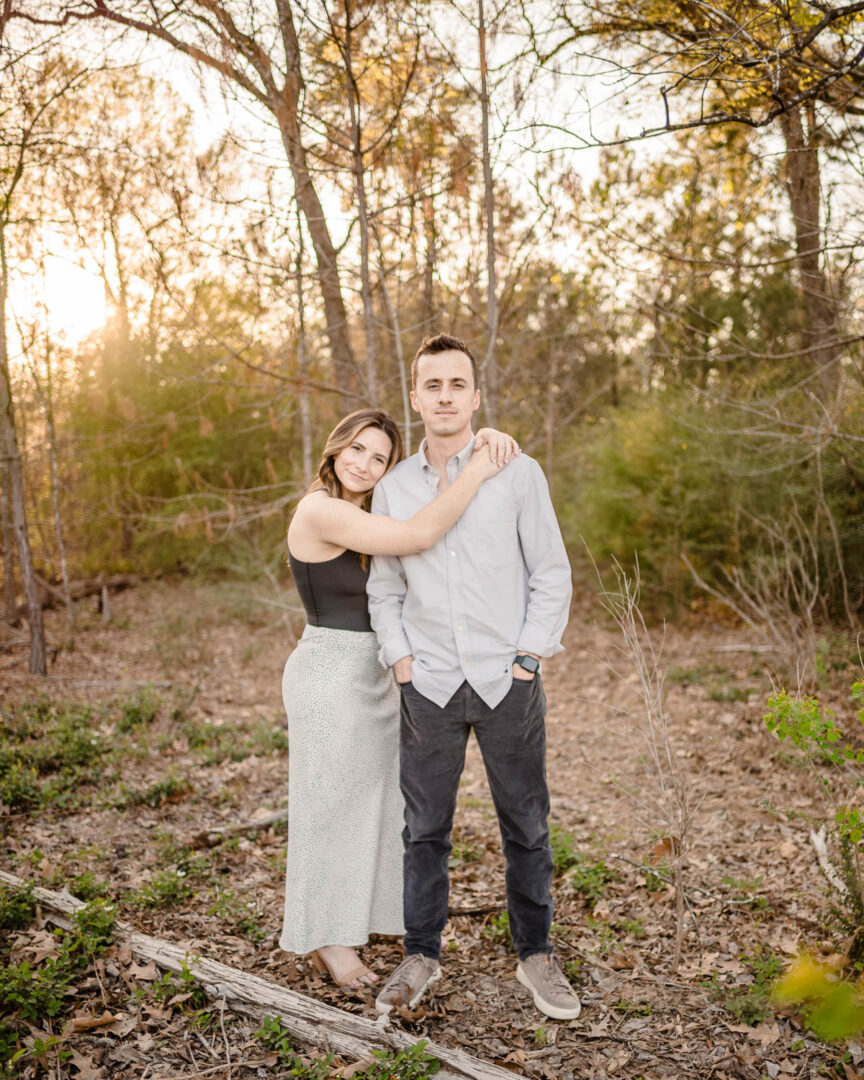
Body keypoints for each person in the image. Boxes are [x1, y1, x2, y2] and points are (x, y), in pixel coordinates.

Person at [367, 334, 580, 1020]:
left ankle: (537, 955)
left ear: (476, 396)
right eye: (433, 386)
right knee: (424, 828)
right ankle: (421, 953)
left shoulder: (517, 472)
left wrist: (528, 657)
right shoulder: (392, 487)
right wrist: (400, 659)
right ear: (415, 396)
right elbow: (384, 588)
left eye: (458, 384)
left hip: (504, 681)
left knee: (526, 824)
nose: (446, 397)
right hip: (426, 683)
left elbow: (550, 572)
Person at [279, 407, 518, 990]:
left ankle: (351, 922)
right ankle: (330, 943)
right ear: (335, 451)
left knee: (374, 805)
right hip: (331, 670)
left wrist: (478, 440)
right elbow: (421, 534)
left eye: (379, 457)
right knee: (331, 805)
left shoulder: (366, 510)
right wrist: (478, 470)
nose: (365, 464)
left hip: (375, 671)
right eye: (356, 450)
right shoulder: (319, 509)